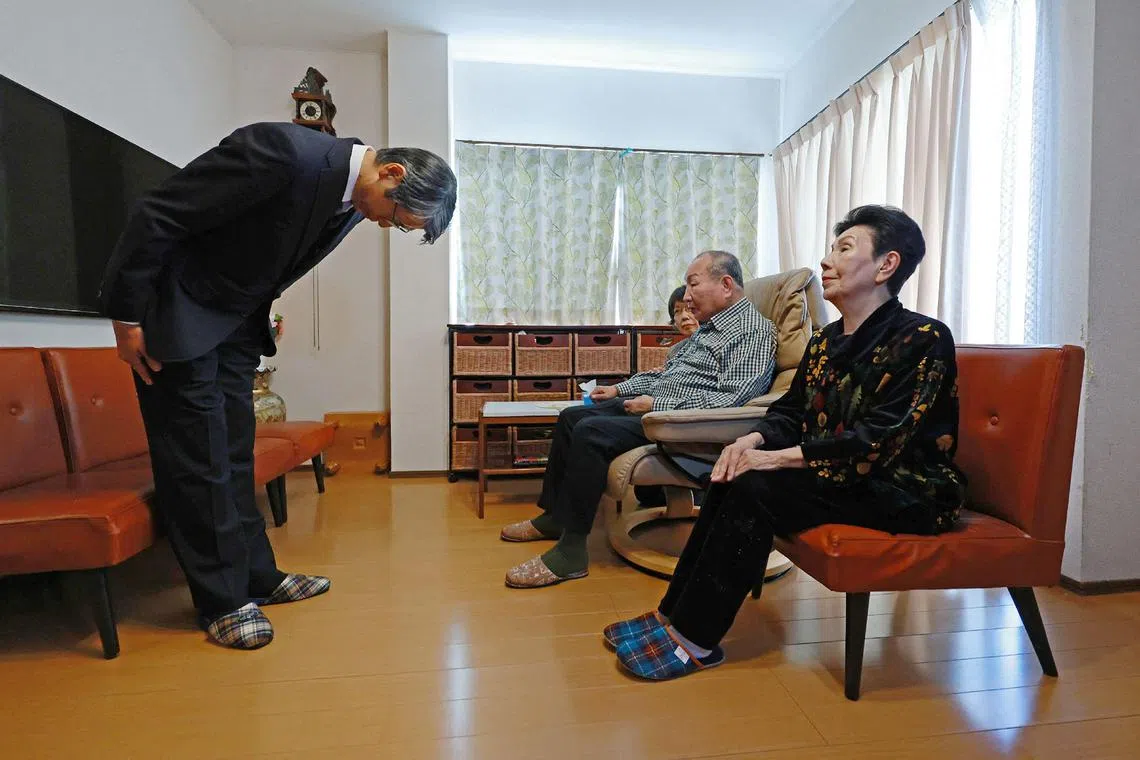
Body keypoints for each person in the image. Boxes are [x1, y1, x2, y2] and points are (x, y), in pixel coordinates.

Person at [98, 122, 457, 649]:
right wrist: (127, 317)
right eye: (398, 218)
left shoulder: (353, 199)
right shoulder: (284, 152)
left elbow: (264, 255)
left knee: (235, 456)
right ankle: (222, 602)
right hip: (177, 319)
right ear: (391, 173)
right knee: (197, 462)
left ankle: (259, 578)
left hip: (233, 329)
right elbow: (159, 213)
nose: (388, 226)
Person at [602, 205, 966, 680]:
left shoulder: (923, 336)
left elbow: (880, 439)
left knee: (756, 486)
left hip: (902, 486)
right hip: (839, 478)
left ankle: (696, 640)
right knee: (731, 471)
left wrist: (780, 458)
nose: (826, 261)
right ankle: (672, 615)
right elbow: (790, 412)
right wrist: (750, 439)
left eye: (844, 248)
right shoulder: (825, 341)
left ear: (886, 265)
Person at [500, 251, 778, 589]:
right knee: (572, 417)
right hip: (659, 410)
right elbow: (663, 375)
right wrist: (619, 389)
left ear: (726, 284)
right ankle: (555, 518)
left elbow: (732, 399)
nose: (686, 296)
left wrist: (657, 404)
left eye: (693, 284)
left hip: (684, 426)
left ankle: (571, 553)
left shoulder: (752, 332)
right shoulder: (708, 330)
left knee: (591, 431)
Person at [633, 284, 701, 508]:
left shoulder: (714, 345)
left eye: (689, 309)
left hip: (688, 418)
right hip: (661, 408)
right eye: (677, 312)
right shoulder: (677, 350)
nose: (683, 317)